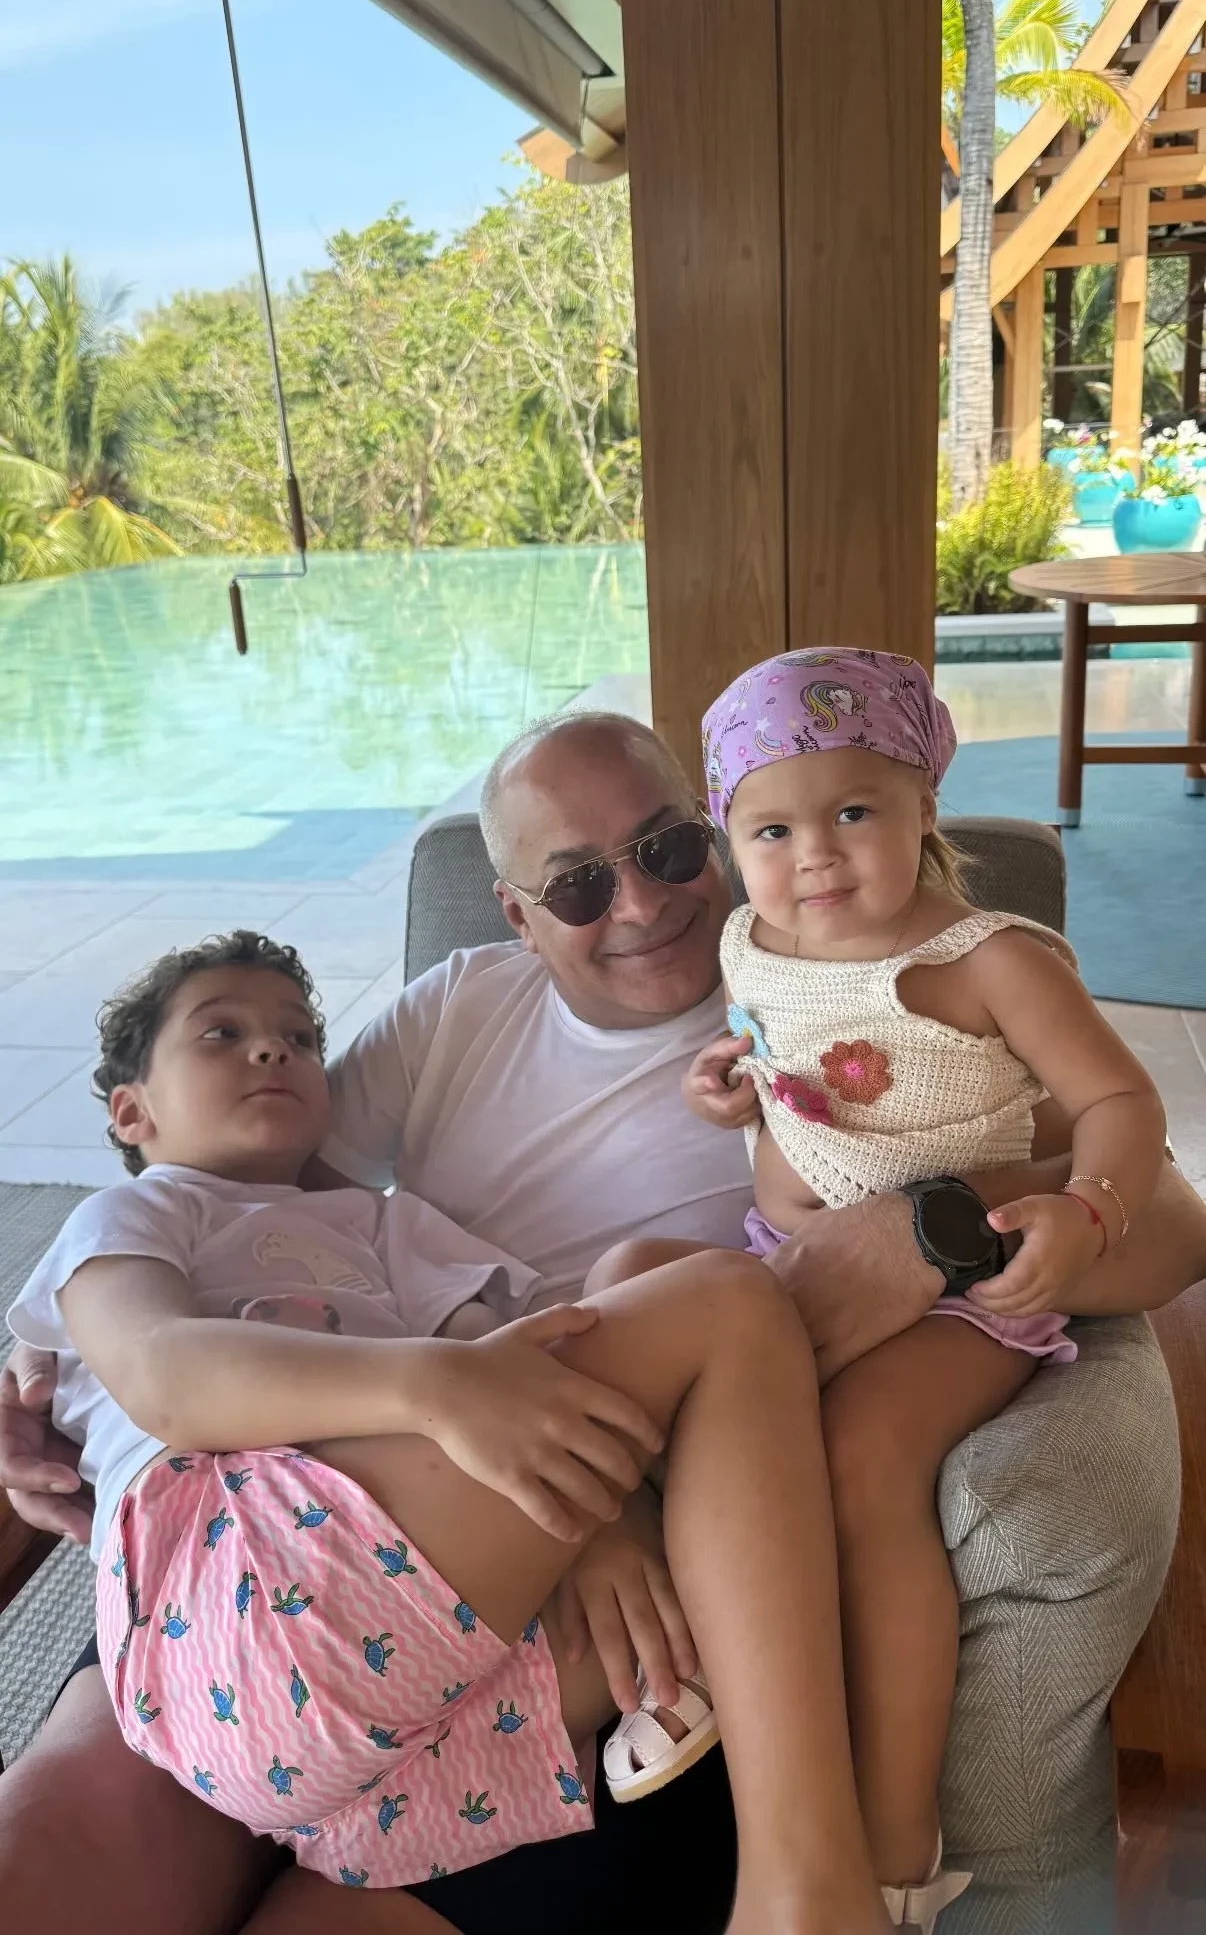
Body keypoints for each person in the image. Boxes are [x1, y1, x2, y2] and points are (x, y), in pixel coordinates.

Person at [2, 710, 1205, 1935]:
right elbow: (236, 1208)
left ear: (718, 832)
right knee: (45, 1864)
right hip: (338, 1529)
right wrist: (45, 1377)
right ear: (517, 914)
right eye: (577, 884)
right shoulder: (454, 1004)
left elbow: (1170, 1220)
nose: (639, 902)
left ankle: (807, 1884)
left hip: (631, 1614)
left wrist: (932, 1220)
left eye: (668, 848)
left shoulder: (871, 981)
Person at [6, 926, 892, 1930]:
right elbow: (164, 1375)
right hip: (234, 1587)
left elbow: (512, 1367)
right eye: (222, 1033)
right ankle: (807, 1891)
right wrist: (428, 1381)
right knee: (726, 1303)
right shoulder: (140, 1214)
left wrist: (593, 1516)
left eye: (300, 1036)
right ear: (133, 1111)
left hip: (405, 1737)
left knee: (673, 1386)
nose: (273, 1048)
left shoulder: (390, 1227)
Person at [585, 653, 1167, 1933]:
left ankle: (899, 1852)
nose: (815, 855)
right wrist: (729, 1091)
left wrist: (1089, 1209)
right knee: (622, 1284)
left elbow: (1124, 1101)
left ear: (923, 806)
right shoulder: (749, 940)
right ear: (730, 841)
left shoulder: (986, 959)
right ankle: (709, 1656)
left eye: (854, 811)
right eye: (771, 829)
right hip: (783, 1261)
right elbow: (783, 1059)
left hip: (965, 1287)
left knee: (858, 1453)